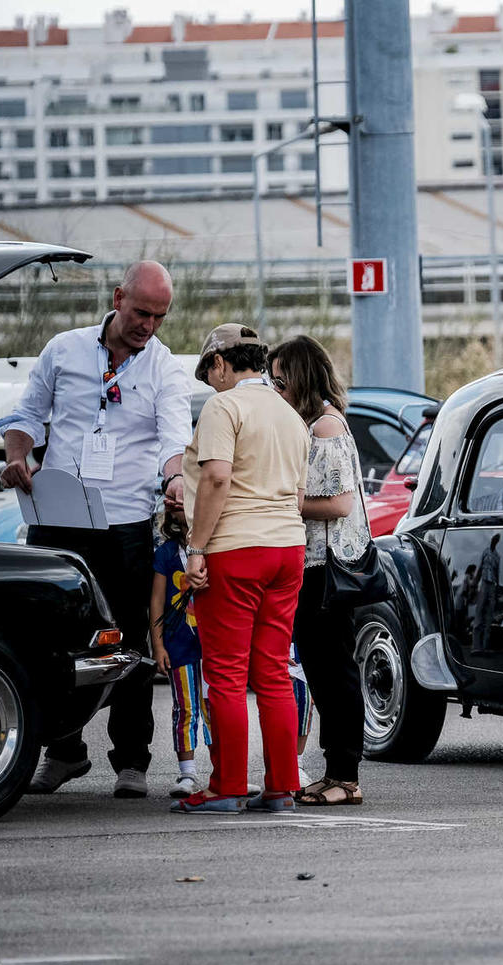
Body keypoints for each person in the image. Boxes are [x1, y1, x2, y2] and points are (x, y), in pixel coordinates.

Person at [1, 260, 193, 800]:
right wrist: (20, 459)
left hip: (125, 526)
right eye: (140, 312)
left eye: (159, 317)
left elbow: (174, 441)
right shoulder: (63, 349)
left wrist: (176, 479)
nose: (148, 326)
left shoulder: (165, 370)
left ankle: (131, 760)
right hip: (59, 521)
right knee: (48, 642)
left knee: (128, 642)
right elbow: (25, 417)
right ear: (117, 297)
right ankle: (63, 753)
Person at [174, 324, 309, 814]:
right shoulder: (290, 415)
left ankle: (227, 785)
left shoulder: (223, 407)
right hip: (287, 548)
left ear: (221, 363)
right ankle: (280, 787)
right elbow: (297, 495)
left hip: (235, 549)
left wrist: (196, 548)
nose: (211, 383)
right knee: (273, 671)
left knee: (226, 674)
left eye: (210, 373)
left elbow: (216, 477)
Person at [269, 335, 372, 806]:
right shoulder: (314, 424)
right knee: (322, 668)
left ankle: (345, 775)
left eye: (282, 381)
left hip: (326, 568)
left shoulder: (326, 428)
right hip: (311, 565)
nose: (277, 389)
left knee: (334, 671)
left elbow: (341, 502)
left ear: (302, 378)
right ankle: (336, 771)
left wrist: (290, 501)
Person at [149, 510, 212, 798]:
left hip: (214, 643)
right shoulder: (166, 553)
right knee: (186, 708)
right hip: (178, 643)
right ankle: (187, 772)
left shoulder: (216, 547)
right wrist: (158, 645)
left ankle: (223, 770)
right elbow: (157, 601)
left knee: (215, 707)